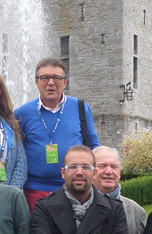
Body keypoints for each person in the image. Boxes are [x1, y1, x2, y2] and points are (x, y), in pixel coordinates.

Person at [13, 58, 100, 210]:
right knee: (40, 233)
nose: (51, 83)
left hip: (73, 189)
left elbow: (94, 147)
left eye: (57, 78)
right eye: (45, 78)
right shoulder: (22, 114)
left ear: (65, 82)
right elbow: (15, 154)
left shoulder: (80, 108)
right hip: (35, 190)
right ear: (36, 82)